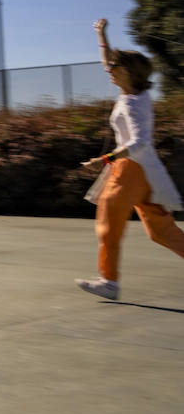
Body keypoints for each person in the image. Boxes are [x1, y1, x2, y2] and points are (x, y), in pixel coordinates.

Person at [76, 18, 184, 300]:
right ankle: (109, 278)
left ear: (126, 72)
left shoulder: (134, 104)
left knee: (109, 219)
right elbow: (107, 60)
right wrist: (102, 34)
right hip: (148, 172)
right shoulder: (136, 93)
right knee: (161, 232)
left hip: (131, 168)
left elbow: (139, 142)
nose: (108, 70)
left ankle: (109, 281)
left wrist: (106, 158)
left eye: (114, 68)